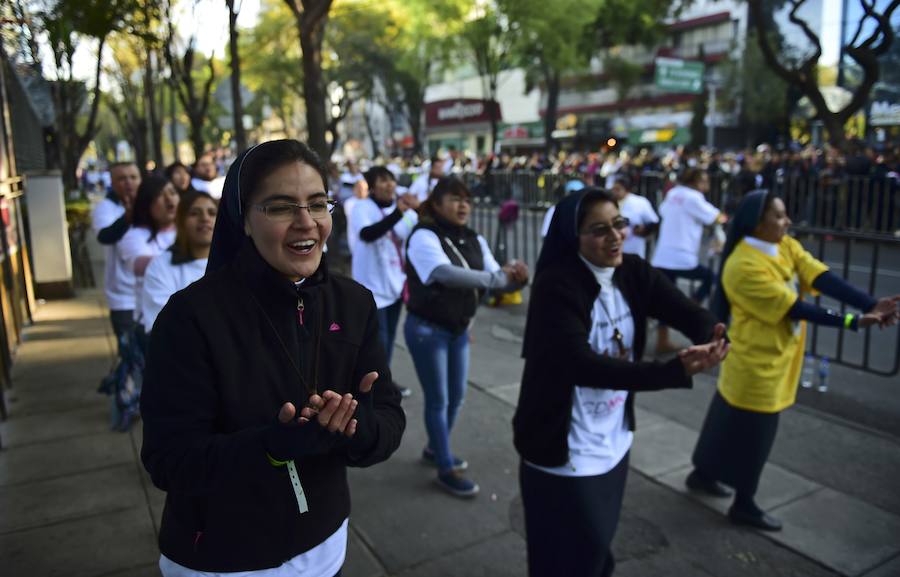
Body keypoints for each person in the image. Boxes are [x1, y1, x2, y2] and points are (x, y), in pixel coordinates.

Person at [140, 139, 405, 576]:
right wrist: (271, 447)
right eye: (281, 207)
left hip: (326, 543)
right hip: (224, 559)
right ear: (242, 219)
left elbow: (390, 420)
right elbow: (170, 461)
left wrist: (355, 427)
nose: (307, 223)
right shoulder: (190, 318)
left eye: (318, 204)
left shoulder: (354, 304)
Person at [513, 187, 729, 577]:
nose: (614, 237)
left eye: (619, 224)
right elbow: (582, 366)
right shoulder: (556, 287)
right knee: (564, 559)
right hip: (564, 449)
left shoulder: (632, 270)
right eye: (598, 230)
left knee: (596, 551)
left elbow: (683, 308)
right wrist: (673, 371)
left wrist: (711, 334)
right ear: (571, 237)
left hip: (613, 440)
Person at [686, 190, 900, 532]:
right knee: (757, 435)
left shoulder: (784, 245)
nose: (787, 221)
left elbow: (819, 275)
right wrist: (852, 322)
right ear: (757, 223)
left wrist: (869, 304)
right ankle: (745, 504)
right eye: (780, 215)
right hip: (756, 364)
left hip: (774, 357)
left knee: (726, 420)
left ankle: (702, 474)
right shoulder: (743, 265)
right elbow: (794, 307)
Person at [404, 177, 528, 497]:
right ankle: (445, 466)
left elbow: (498, 280)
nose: (463, 206)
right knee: (439, 399)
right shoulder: (423, 236)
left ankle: (436, 447)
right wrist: (496, 278)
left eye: (467, 200)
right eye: (455, 199)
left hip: (459, 329)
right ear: (436, 203)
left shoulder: (474, 238)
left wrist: (515, 279)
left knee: (456, 397)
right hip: (427, 330)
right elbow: (443, 274)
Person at [350, 166, 419, 398]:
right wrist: (399, 212)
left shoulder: (401, 210)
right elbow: (368, 234)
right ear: (372, 185)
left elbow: (411, 234)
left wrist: (413, 209)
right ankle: (375, 386)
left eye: (391, 180)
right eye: (383, 181)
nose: (389, 185)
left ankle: (382, 381)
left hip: (395, 285)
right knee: (379, 341)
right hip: (373, 287)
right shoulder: (362, 208)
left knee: (389, 340)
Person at [650, 168, 727, 352]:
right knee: (710, 277)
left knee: (664, 300)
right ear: (696, 181)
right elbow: (717, 216)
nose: (707, 185)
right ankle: (692, 303)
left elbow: (663, 211)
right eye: (705, 181)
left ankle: (663, 340)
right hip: (682, 255)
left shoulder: (673, 193)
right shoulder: (694, 197)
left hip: (663, 254)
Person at [140, 192, 217, 335]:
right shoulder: (161, 266)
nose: (205, 218)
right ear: (180, 221)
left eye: (212, 213)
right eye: (194, 213)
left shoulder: (236, 263)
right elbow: (162, 323)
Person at [117, 175, 179, 345]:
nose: (169, 199)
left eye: (173, 192)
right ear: (146, 203)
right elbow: (141, 265)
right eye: (160, 195)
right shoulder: (134, 237)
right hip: (153, 325)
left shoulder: (187, 232)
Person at [92, 162, 141, 350]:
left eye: (133, 177)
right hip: (124, 298)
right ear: (112, 182)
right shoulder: (106, 207)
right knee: (131, 356)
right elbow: (105, 236)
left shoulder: (153, 205)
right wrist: (128, 217)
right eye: (122, 178)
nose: (128, 182)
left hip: (154, 293)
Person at [611, 174, 659, 259]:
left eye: (618, 189)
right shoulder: (609, 203)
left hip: (634, 248)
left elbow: (653, 222)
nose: (614, 192)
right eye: (613, 189)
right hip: (614, 249)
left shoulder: (640, 202)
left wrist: (644, 229)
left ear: (627, 190)